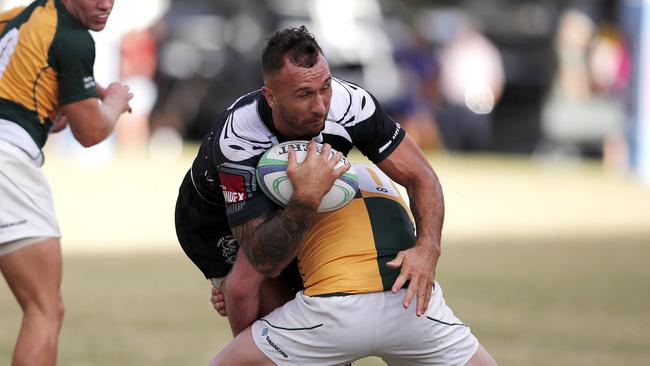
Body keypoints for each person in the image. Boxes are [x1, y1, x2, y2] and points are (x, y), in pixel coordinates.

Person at [173, 25, 455, 359]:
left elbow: (422, 177)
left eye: (325, 87)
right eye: (305, 94)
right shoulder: (239, 137)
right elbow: (265, 260)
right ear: (271, 96)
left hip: (298, 199)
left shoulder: (350, 104)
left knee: (323, 317)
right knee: (254, 296)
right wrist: (305, 199)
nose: (321, 105)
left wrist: (427, 249)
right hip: (216, 222)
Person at [210, 163, 497, 365]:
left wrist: (242, 317)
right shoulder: (378, 172)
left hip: (332, 314)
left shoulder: (285, 181)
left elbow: (255, 277)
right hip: (413, 308)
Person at [0, 1, 132, 365]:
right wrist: (117, 102)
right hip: (7, 161)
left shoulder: (20, 17)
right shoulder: (73, 38)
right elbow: (90, 131)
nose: (105, 3)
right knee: (44, 309)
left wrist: (49, 102)